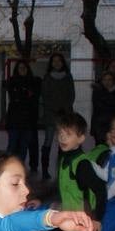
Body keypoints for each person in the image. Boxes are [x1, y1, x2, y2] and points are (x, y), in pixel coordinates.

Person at [39, 52, 75, 180]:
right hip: (50, 115)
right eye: (54, 61)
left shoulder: (68, 77)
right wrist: (54, 109)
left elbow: (71, 95)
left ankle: (62, 169)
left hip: (64, 116)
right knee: (48, 141)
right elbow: (45, 96)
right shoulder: (47, 78)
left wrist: (64, 109)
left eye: (59, 61)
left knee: (64, 143)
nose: (57, 63)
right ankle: (44, 170)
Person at [5, 60, 41, 173]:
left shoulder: (33, 82)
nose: (22, 70)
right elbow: (18, 97)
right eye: (20, 68)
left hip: (28, 121)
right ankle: (8, 166)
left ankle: (18, 168)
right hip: (15, 120)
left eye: (24, 68)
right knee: (12, 145)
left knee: (23, 147)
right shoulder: (12, 82)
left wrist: (22, 94)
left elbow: (31, 98)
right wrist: (25, 94)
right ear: (17, 69)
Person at [90, 66, 115, 147]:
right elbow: (99, 107)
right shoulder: (97, 92)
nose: (107, 82)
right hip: (100, 127)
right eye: (105, 80)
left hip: (114, 126)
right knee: (101, 151)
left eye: (109, 80)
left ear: (113, 81)